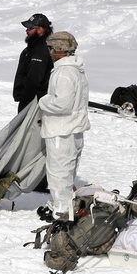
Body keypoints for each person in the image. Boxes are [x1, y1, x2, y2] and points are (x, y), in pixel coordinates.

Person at [38, 31, 91, 221]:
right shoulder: (76, 70)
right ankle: (58, 204)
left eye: (51, 48)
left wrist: (43, 102)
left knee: (58, 173)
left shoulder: (64, 73)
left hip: (61, 131)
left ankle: (61, 211)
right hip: (73, 129)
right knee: (66, 171)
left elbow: (62, 104)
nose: (50, 52)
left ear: (60, 50)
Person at [13, 13, 54, 113]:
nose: (26, 31)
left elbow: (34, 80)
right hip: (30, 102)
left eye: (29, 28)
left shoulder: (40, 52)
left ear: (40, 30)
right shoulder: (33, 49)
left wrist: (25, 101)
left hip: (33, 104)